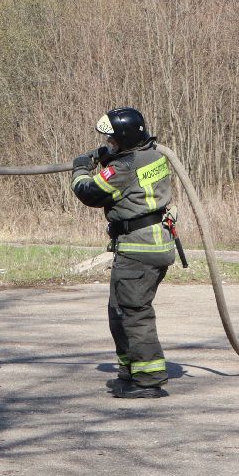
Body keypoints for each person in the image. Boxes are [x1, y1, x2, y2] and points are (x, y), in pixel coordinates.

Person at [72, 107, 175, 399]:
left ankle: (149, 380)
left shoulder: (124, 167)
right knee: (119, 311)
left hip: (138, 248)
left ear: (126, 139)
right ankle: (130, 371)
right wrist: (107, 155)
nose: (108, 144)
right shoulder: (152, 155)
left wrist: (81, 168)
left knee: (134, 313)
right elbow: (129, 167)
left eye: (112, 140)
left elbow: (89, 192)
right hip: (151, 243)